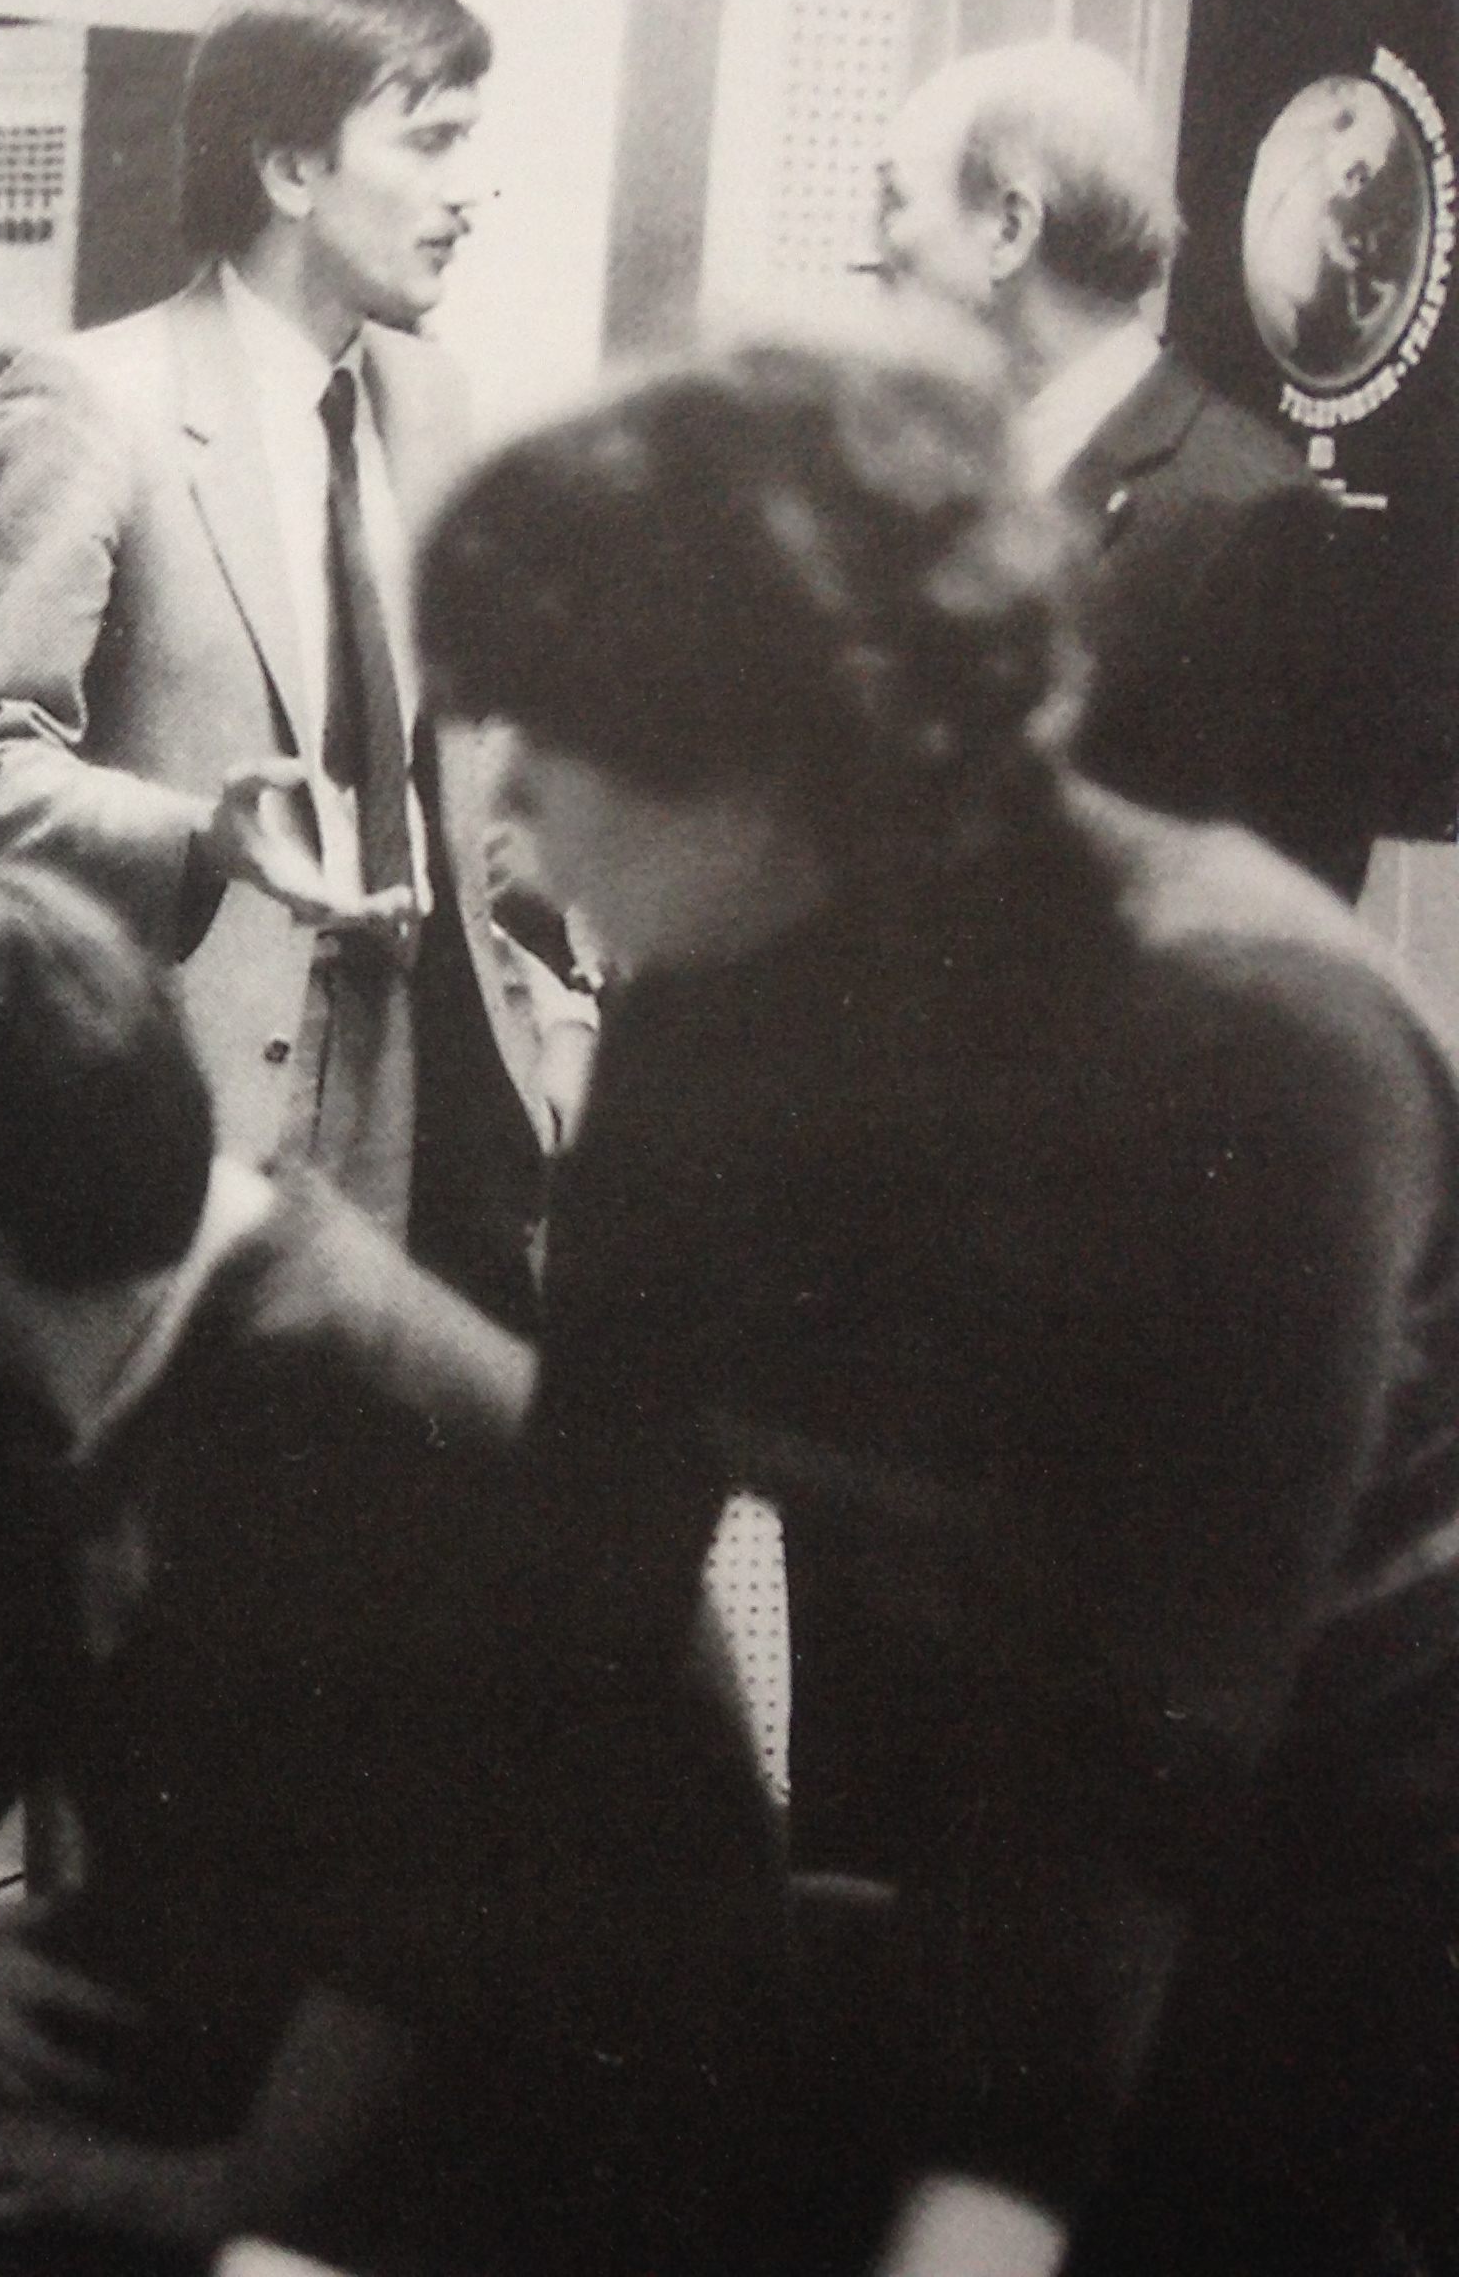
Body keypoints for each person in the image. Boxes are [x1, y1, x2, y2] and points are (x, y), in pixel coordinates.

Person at [418, 327, 1459, 2276]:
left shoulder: (1257, 1042)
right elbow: (570, 1600)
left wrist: (974, 2230)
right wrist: (294, 2158)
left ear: (772, 739)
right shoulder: (702, 974)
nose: (511, 817)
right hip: (1042, 1821)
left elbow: (1137, 1792)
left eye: (545, 739)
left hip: (1343, 1866)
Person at [0, 858, 787, 2271]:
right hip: (281, 2047)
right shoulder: (34, 1368)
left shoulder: (352, 1403)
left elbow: (429, 1945)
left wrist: (215, 2193)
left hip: (539, 2159)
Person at [0, 0, 567, 1331]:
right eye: (433, 138)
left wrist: (546, 1001)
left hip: (434, 1088)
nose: (472, 190)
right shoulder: (96, 399)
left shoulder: (436, 403)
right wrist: (197, 837)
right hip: (191, 1093)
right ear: (289, 169)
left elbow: (458, 767)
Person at [872, 39, 1379, 895]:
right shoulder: (925, 491)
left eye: (891, 202)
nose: (872, 250)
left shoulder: (1253, 525)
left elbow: (1281, 958)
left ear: (1009, 228)